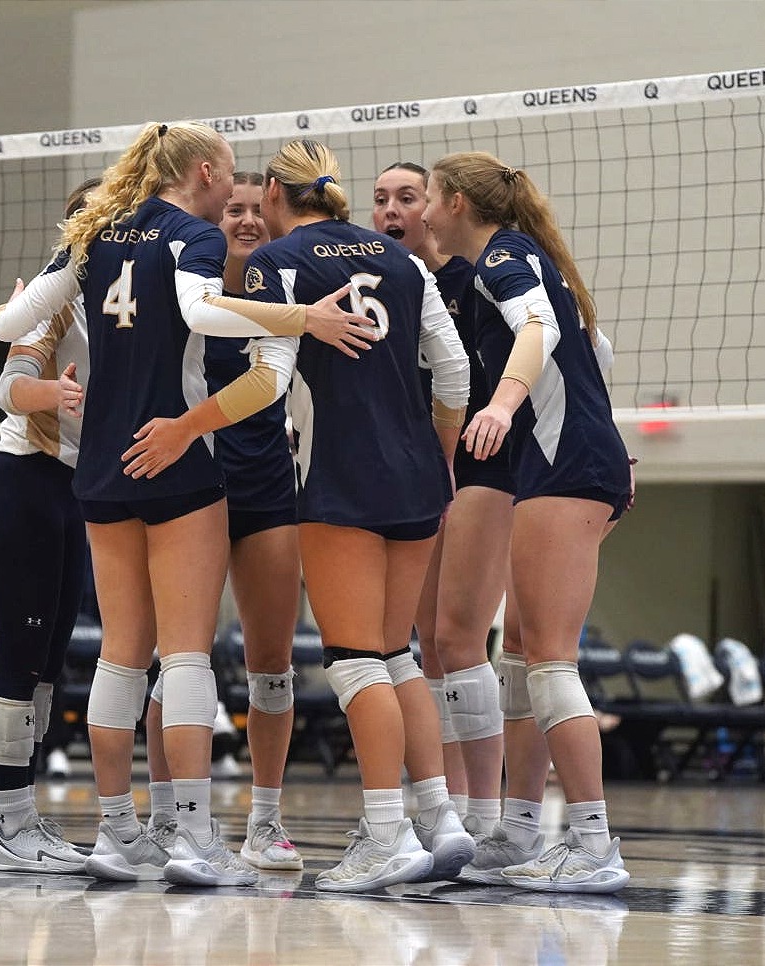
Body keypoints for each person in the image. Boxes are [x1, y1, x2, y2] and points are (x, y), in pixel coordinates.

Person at [0, 121, 369, 887]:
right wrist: (303, 318)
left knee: (120, 653)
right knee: (186, 652)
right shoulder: (190, 237)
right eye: (229, 173)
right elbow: (199, 313)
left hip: (100, 469)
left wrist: (23, 307)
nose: (237, 190)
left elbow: (5, 326)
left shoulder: (93, 238)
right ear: (201, 169)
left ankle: (117, 834)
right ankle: (194, 841)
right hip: (177, 459)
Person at [242, 138, 473, 892]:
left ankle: (386, 835)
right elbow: (455, 370)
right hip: (414, 474)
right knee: (395, 651)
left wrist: (189, 424)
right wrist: (437, 453)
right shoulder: (404, 260)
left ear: (275, 191)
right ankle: (438, 817)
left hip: (339, 476)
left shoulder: (275, 263)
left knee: (352, 659)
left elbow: (267, 383)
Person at [423, 150, 631, 892]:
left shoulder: (499, 264)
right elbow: (594, 351)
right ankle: (516, 831)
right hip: (570, 463)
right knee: (518, 656)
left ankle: (592, 843)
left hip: (563, 465)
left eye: (425, 197)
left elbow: (538, 331)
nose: (417, 211)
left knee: (547, 659)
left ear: (452, 202)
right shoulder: (527, 254)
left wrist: (502, 404)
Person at [145, 170, 304, 871]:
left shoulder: (284, 290)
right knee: (179, 657)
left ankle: (264, 823)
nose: (243, 221)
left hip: (268, 485)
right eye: (230, 209)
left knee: (272, 664)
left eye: (253, 212)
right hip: (192, 485)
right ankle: (165, 818)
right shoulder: (185, 290)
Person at [0, 179, 98, 874]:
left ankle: (25, 819)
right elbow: (7, 388)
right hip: (22, 484)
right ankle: (11, 827)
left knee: (48, 671)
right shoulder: (59, 297)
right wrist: (53, 391)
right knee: (17, 667)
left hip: (69, 494)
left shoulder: (126, 305)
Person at [375, 161, 506, 838]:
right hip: (412, 478)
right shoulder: (381, 286)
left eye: (405, 197)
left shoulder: (474, 277)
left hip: (481, 471)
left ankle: (486, 813)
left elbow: (576, 342)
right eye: (380, 199)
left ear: (434, 208)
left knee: (460, 640)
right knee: (418, 646)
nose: (391, 209)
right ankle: (441, 808)